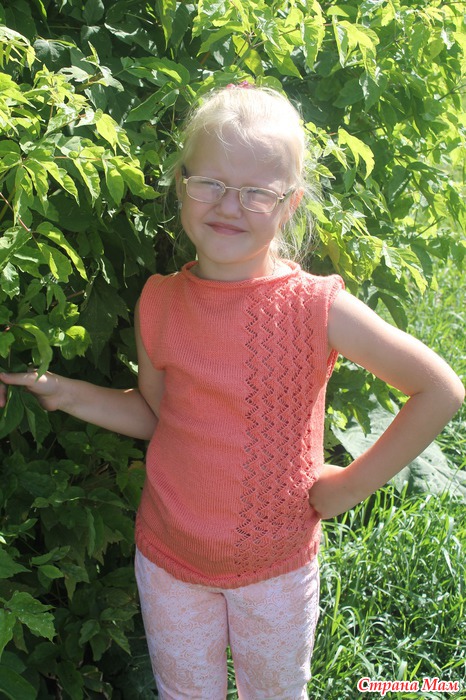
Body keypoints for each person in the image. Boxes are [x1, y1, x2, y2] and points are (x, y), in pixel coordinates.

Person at [0, 85, 463, 700]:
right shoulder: (160, 301)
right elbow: (158, 415)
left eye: (257, 193)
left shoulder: (316, 308)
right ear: (181, 184)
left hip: (275, 570)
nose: (228, 206)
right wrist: (62, 392)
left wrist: (348, 487)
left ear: (290, 204)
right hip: (168, 561)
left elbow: (438, 389)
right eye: (210, 183)